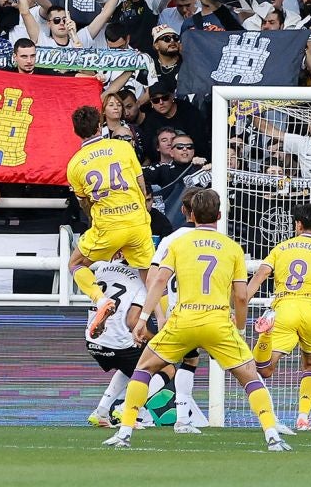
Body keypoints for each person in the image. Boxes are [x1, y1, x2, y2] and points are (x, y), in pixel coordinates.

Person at [103, 187, 286, 450]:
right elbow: (242, 296)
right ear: (220, 215)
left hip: (183, 321)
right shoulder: (232, 248)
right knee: (250, 377)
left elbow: (158, 281)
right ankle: (272, 436)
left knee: (144, 370)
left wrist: (143, 318)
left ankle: (124, 433)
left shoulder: (177, 242)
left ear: (190, 214)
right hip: (218, 323)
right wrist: (241, 331)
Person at [247, 205, 311, 432]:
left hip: (284, 309)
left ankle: (266, 335)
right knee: (310, 364)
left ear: (298, 225)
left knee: (264, 370)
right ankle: (303, 417)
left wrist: (239, 304)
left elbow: (260, 275)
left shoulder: (281, 248)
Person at [65, 104, 154, 335]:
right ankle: (167, 319)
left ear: (76, 131)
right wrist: (143, 212)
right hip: (136, 220)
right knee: (150, 277)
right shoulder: (122, 148)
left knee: (75, 264)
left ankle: (100, 299)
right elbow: (141, 184)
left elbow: (85, 203)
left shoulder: (74, 164)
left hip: (108, 226)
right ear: (100, 125)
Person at [82, 258, 151, 428]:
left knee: (129, 368)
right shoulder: (142, 280)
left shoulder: (103, 268)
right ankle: (125, 409)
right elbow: (132, 321)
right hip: (118, 342)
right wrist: (157, 338)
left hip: (93, 340)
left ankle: (101, 411)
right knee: (161, 365)